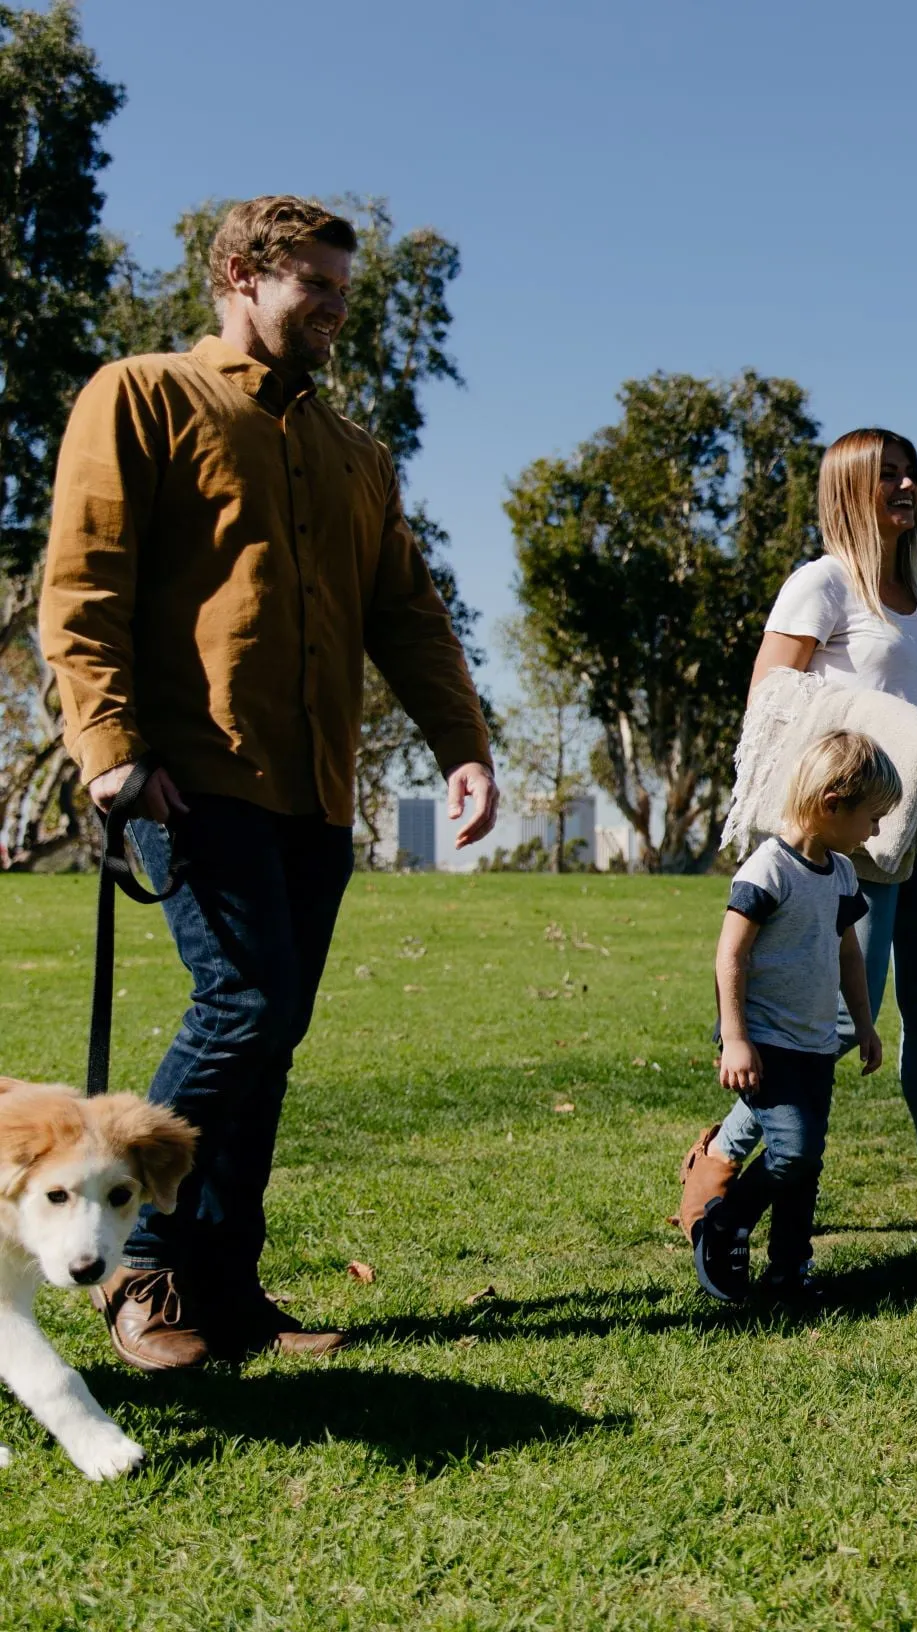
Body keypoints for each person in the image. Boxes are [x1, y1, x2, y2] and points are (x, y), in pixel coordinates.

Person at [38, 196, 497, 1368]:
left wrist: (463, 745)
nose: (340, 312)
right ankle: (136, 1270)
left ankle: (223, 1286)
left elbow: (408, 612)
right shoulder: (141, 394)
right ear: (242, 275)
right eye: (319, 289)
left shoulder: (358, 457)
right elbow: (82, 583)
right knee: (240, 1007)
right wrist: (110, 748)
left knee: (270, 1033)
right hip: (191, 774)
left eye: (347, 291)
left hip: (317, 790)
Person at [680, 429, 917, 1242]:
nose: (905, 485)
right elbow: (769, 701)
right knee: (845, 1014)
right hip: (856, 841)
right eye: (886, 475)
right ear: (848, 489)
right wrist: (815, 818)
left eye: (910, 472)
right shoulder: (823, 585)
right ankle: (724, 1153)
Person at [694, 730, 896, 1303]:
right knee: (795, 1150)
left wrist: (863, 1024)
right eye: (872, 817)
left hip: (813, 1043)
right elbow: (729, 952)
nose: (876, 831)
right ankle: (725, 1221)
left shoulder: (840, 874)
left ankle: (788, 1272)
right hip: (764, 1040)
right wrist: (735, 1037)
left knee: (804, 1166)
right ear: (833, 804)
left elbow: (848, 953)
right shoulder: (769, 869)